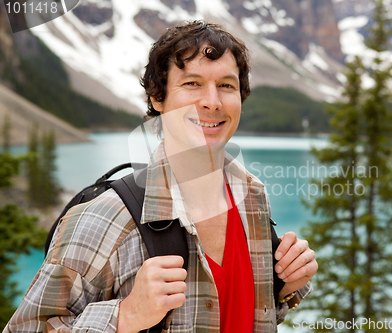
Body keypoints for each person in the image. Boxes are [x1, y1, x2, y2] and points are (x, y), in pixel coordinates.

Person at [3, 21, 317, 333]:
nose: (212, 101)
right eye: (192, 83)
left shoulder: (252, 201)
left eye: (226, 85)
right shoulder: (103, 219)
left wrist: (284, 289)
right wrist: (124, 317)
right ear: (157, 98)